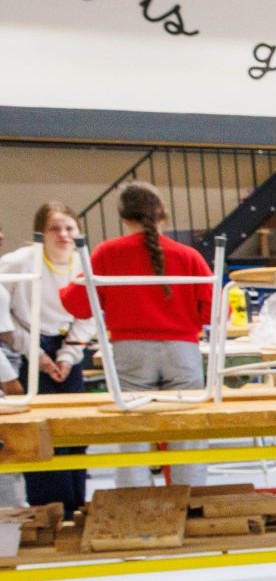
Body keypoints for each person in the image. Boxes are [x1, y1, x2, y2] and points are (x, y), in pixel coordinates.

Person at [60, 182, 215, 487]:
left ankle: (134, 507)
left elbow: (78, 304)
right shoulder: (188, 255)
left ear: (123, 217)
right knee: (188, 434)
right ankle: (193, 503)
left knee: (133, 435)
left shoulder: (108, 253)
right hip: (182, 350)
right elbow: (213, 312)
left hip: (130, 350)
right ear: (163, 215)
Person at [0, 201, 98, 512]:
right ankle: (49, 509)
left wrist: (69, 354)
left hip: (68, 345)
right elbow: (5, 317)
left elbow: (90, 314)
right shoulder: (19, 263)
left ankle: (76, 504)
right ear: (41, 233)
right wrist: (37, 353)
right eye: (54, 228)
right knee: (40, 431)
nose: (63, 234)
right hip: (26, 347)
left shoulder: (83, 263)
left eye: (69, 228)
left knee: (74, 429)